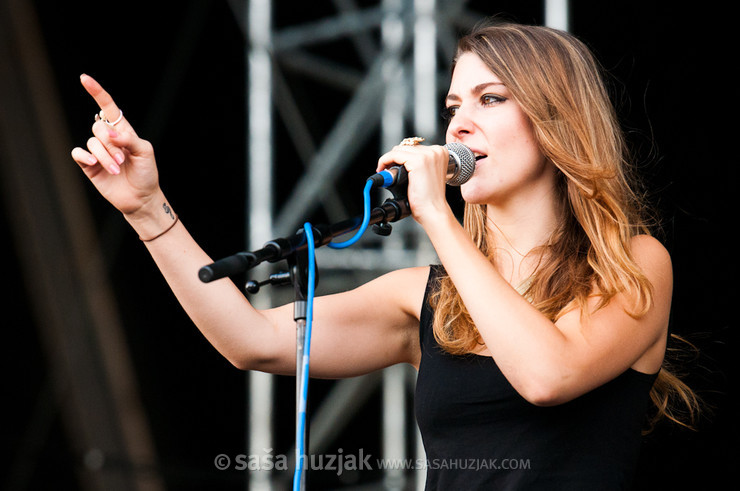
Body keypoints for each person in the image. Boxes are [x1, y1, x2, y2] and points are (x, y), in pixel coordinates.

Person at [71, 20, 698, 490]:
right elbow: (252, 340)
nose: (458, 126)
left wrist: (434, 215)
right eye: (453, 106)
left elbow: (546, 376)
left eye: (490, 99)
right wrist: (147, 210)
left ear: (557, 119)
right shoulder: (429, 298)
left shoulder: (633, 265)